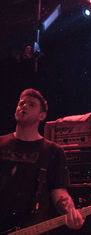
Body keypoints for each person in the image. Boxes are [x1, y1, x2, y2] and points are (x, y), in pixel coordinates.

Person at [0, 89, 84, 233]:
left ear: (42, 115)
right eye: (21, 103)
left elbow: (59, 191)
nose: (23, 106)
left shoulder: (52, 151)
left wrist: (70, 212)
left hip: (31, 227)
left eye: (31, 104)